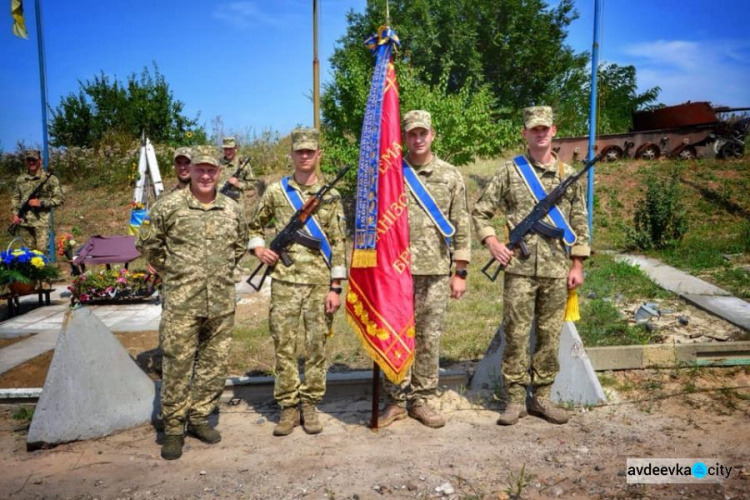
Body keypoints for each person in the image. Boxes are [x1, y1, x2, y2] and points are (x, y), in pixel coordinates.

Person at [471, 106, 590, 426]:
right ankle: (513, 400)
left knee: (550, 336)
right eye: (533, 128)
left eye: (545, 128)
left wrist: (577, 264)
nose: (539, 133)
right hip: (519, 269)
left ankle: (541, 398)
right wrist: (493, 243)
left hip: (556, 270)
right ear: (524, 133)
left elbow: (580, 222)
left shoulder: (568, 176)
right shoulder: (511, 171)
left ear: (554, 131)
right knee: (516, 334)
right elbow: (481, 212)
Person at [136, 145, 247, 460]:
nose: (206, 175)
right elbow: (147, 242)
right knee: (177, 365)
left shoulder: (232, 208)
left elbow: (240, 244)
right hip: (182, 303)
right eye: (200, 169)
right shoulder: (169, 206)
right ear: (191, 171)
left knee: (214, 364)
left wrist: (220, 271)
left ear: (219, 172)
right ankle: (173, 428)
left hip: (221, 302)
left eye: (212, 170)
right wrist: (173, 270)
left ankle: (199, 418)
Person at [248, 128, 347, 436]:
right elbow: (253, 225)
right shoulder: (277, 192)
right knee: (284, 347)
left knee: (316, 347)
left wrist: (336, 287)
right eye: (299, 151)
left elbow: (338, 243)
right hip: (285, 284)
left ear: (318, 155)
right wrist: (259, 248)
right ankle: (289, 406)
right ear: (291, 155)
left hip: (319, 285)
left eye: (310, 151)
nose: (305, 156)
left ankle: (310, 404)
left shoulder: (330, 195)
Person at [378, 110, 471, 429]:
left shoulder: (450, 175)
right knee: (394, 336)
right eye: (412, 134)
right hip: (396, 273)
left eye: (423, 133)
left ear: (432, 135)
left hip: (434, 272)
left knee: (429, 339)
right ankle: (395, 399)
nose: (418, 139)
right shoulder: (391, 175)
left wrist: (460, 272)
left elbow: (462, 224)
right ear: (404, 137)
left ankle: (421, 399)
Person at [10, 150, 64, 254]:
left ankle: (45, 270)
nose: (31, 163)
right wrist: (15, 214)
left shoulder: (49, 179)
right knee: (27, 254)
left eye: (34, 160)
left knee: (42, 253)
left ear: (40, 161)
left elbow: (59, 199)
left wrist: (41, 203)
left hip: (41, 223)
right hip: (24, 223)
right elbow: (15, 198)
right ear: (25, 161)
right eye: (29, 160)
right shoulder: (21, 179)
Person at [219, 136, 255, 201]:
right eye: (226, 149)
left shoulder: (242, 164)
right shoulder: (217, 164)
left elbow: (253, 185)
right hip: (219, 202)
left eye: (230, 149)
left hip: (236, 204)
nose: (228, 152)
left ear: (235, 148)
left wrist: (238, 184)